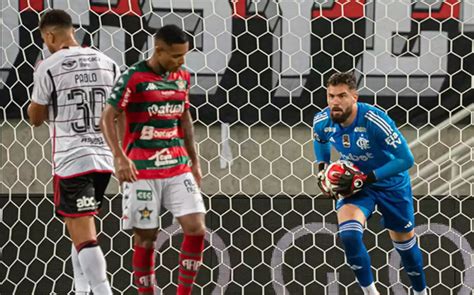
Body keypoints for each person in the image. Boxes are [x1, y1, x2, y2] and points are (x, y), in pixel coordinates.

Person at [100, 24, 206, 295]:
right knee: (146, 239)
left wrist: (194, 161)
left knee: (196, 228)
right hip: (142, 170)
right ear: (158, 50)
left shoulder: (182, 76)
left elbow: (184, 117)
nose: (181, 61)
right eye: (175, 56)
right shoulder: (133, 77)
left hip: (177, 164)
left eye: (184, 56)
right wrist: (120, 158)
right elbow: (106, 117)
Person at [27, 9, 119, 295]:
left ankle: (103, 291)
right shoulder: (109, 63)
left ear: (50, 35)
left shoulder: (49, 65)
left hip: (72, 160)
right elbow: (117, 112)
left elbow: (36, 117)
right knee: (79, 226)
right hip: (104, 159)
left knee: (84, 236)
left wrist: (35, 102)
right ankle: (81, 290)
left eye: (44, 38)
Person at [313, 72, 427, 295]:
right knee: (349, 235)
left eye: (342, 96)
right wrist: (322, 170)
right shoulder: (322, 121)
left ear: (354, 97)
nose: (335, 102)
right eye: (331, 96)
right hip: (355, 183)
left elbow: (406, 160)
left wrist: (367, 178)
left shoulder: (375, 120)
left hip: (391, 184)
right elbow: (321, 141)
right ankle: (370, 293)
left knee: (405, 247)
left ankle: (421, 292)